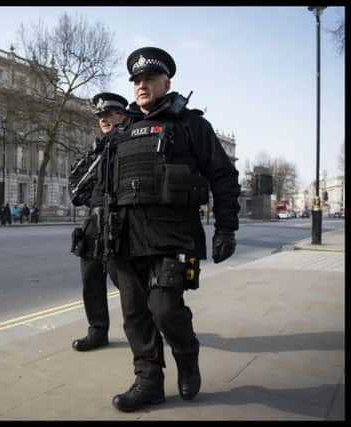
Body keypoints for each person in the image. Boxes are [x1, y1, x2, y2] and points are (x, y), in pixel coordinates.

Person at [102, 47, 240, 412]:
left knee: (164, 308)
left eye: (148, 79)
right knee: (134, 315)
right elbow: (107, 188)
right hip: (126, 237)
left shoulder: (192, 125)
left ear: (167, 82)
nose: (141, 85)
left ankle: (186, 352)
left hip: (174, 234)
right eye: (136, 80)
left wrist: (226, 227)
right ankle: (148, 382)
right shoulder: (122, 131)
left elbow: (223, 176)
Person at [69, 92, 127, 352]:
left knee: (125, 280)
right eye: (101, 116)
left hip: (121, 219)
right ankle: (97, 330)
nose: (104, 119)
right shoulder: (96, 149)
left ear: (122, 116)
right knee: (91, 278)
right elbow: (75, 187)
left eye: (109, 114)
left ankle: (144, 327)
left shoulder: (129, 142)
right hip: (95, 219)